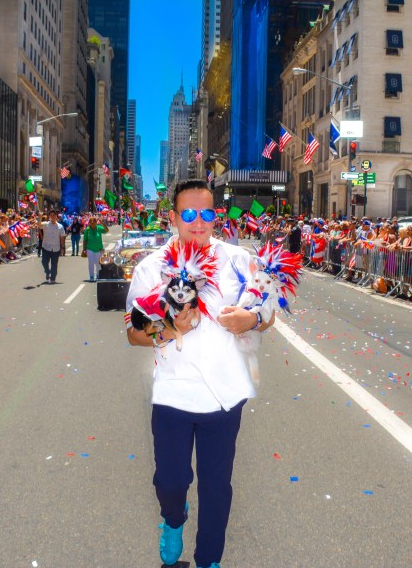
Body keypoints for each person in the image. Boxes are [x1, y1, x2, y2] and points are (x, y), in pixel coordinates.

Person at [126, 179, 274, 568]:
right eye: (188, 214)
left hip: (224, 396)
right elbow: (134, 333)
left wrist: (252, 319)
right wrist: (174, 329)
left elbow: (269, 311)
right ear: (173, 217)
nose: (197, 221)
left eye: (206, 213)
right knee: (171, 483)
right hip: (174, 394)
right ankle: (173, 520)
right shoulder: (151, 268)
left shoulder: (240, 260)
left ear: (215, 216)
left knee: (216, 489)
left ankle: (210, 559)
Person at [40, 211, 66, 283]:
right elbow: (39, 225)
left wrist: (62, 248)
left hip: (56, 248)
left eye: (54, 215)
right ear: (49, 217)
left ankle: (53, 278)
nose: (53, 217)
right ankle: (47, 272)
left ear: (56, 217)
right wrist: (39, 217)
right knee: (44, 262)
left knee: (54, 264)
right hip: (46, 247)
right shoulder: (46, 224)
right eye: (51, 215)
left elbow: (62, 238)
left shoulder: (60, 226)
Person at [83, 216, 107, 282]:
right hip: (90, 248)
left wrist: (102, 223)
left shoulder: (99, 228)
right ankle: (91, 276)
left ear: (96, 222)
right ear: (89, 222)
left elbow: (106, 230)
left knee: (98, 263)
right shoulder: (87, 230)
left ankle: (98, 275)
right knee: (91, 262)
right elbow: (85, 240)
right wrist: (84, 249)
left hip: (99, 249)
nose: (92, 223)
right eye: (91, 221)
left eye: (94, 221)